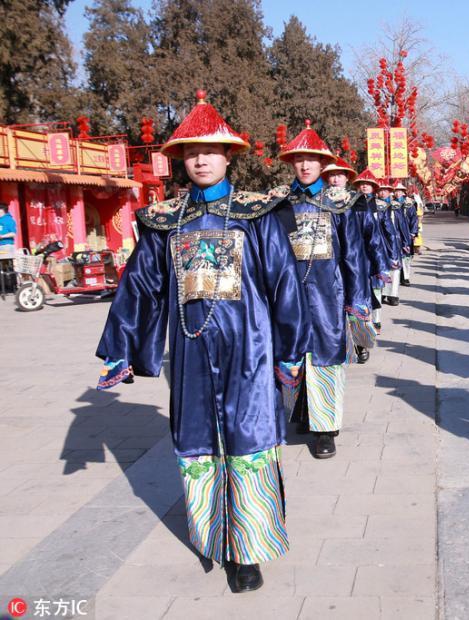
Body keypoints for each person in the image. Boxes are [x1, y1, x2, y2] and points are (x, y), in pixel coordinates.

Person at [95, 91, 308, 592]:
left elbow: (284, 283)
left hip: (250, 353)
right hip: (190, 355)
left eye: (210, 150)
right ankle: (217, 539)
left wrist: (290, 349)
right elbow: (141, 285)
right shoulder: (164, 223)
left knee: (248, 441)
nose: (201, 159)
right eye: (191, 152)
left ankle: (249, 550)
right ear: (180, 159)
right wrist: (119, 348)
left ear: (229, 155)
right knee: (198, 446)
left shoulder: (259, 214)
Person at [273, 121, 369, 460]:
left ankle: (326, 430)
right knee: (293, 353)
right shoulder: (280, 205)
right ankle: (301, 414)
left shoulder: (340, 204)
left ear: (322, 163)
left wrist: (357, 301)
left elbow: (353, 255)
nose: (304, 165)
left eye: (311, 159)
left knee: (326, 358)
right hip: (290, 292)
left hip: (328, 294)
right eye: (298, 159)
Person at [348, 167, 391, 362]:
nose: (364, 186)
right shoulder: (335, 203)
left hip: (363, 257)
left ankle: (364, 339)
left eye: (367, 184)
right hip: (335, 264)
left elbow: (376, 235)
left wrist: (381, 262)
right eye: (361, 184)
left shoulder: (378, 206)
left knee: (366, 298)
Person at [378, 179, 404, 307]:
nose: (382, 193)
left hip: (395, 240)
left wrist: (405, 240)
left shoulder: (395, 206)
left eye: (385, 190)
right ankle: (383, 293)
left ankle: (393, 295)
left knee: (395, 267)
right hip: (380, 241)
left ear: (390, 192)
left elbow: (401, 223)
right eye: (380, 190)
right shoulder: (375, 206)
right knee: (383, 268)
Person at [390, 181, 414, 287]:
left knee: (406, 256)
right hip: (395, 233)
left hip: (406, 233)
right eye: (396, 191)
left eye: (399, 191)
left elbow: (413, 218)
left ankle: (406, 277)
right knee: (396, 256)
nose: (398, 193)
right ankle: (398, 276)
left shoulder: (409, 203)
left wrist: (413, 232)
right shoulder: (391, 203)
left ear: (404, 192)